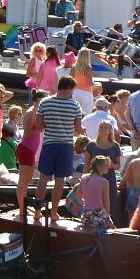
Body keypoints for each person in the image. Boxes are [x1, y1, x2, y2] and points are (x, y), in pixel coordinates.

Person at [34, 76, 83, 224]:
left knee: (43, 178)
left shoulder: (45, 102)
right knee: (59, 181)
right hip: (66, 145)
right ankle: (54, 212)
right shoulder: (75, 105)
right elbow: (78, 130)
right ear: (69, 88)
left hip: (49, 144)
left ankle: (37, 212)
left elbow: (39, 125)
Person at [80, 155, 116, 229]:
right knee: (113, 230)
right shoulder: (104, 182)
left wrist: (88, 205)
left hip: (86, 215)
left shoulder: (83, 177)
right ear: (99, 167)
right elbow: (107, 204)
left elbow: (78, 196)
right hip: (99, 214)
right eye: (106, 165)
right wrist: (107, 218)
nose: (108, 167)